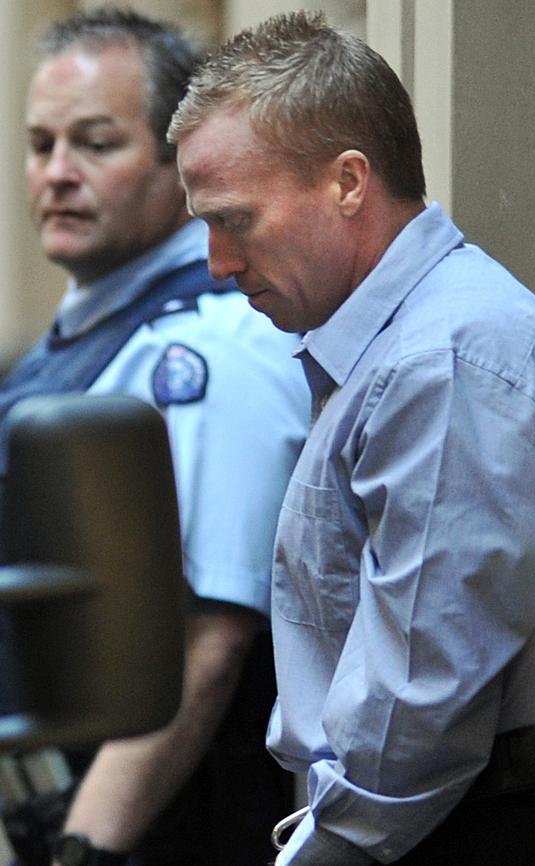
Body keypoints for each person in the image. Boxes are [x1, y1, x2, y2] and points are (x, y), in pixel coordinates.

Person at [170, 11, 535, 865]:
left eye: (237, 221)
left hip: (442, 834)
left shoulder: (442, 360)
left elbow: (417, 714)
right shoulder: (405, 347)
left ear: (348, 182)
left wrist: (328, 852)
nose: (217, 261)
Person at [0, 7, 309, 866]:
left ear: (182, 166)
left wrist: (80, 854)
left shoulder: (210, 350)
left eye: (96, 144)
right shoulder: (88, 334)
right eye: (40, 144)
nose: (57, 173)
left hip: (167, 830)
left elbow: (207, 647)